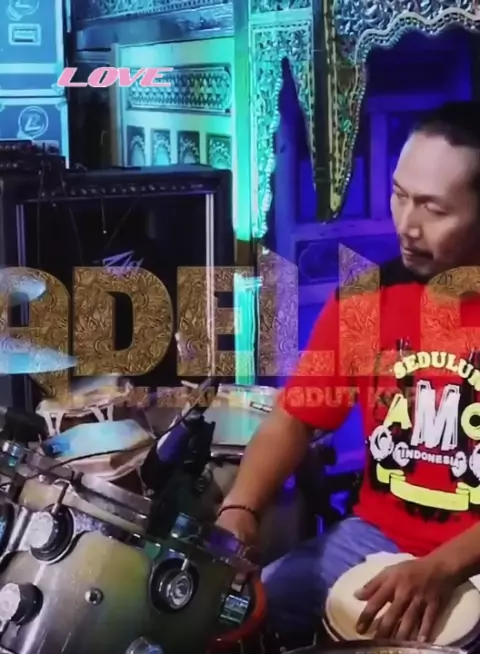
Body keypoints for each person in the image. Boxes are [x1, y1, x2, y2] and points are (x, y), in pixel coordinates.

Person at [216, 101, 480, 644]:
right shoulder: (367, 300)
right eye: (400, 195)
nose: (407, 225)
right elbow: (293, 419)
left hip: (469, 555)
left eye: (433, 208)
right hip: (375, 539)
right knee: (240, 616)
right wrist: (241, 508)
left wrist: (442, 567)